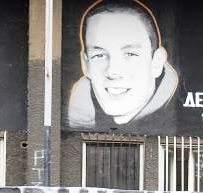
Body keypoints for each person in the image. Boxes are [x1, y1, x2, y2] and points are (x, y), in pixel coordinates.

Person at [67, 0, 178, 130]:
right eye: (99, 55)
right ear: (85, 65)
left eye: (130, 54)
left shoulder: (181, 120)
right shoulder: (78, 118)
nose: (113, 72)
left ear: (157, 62)